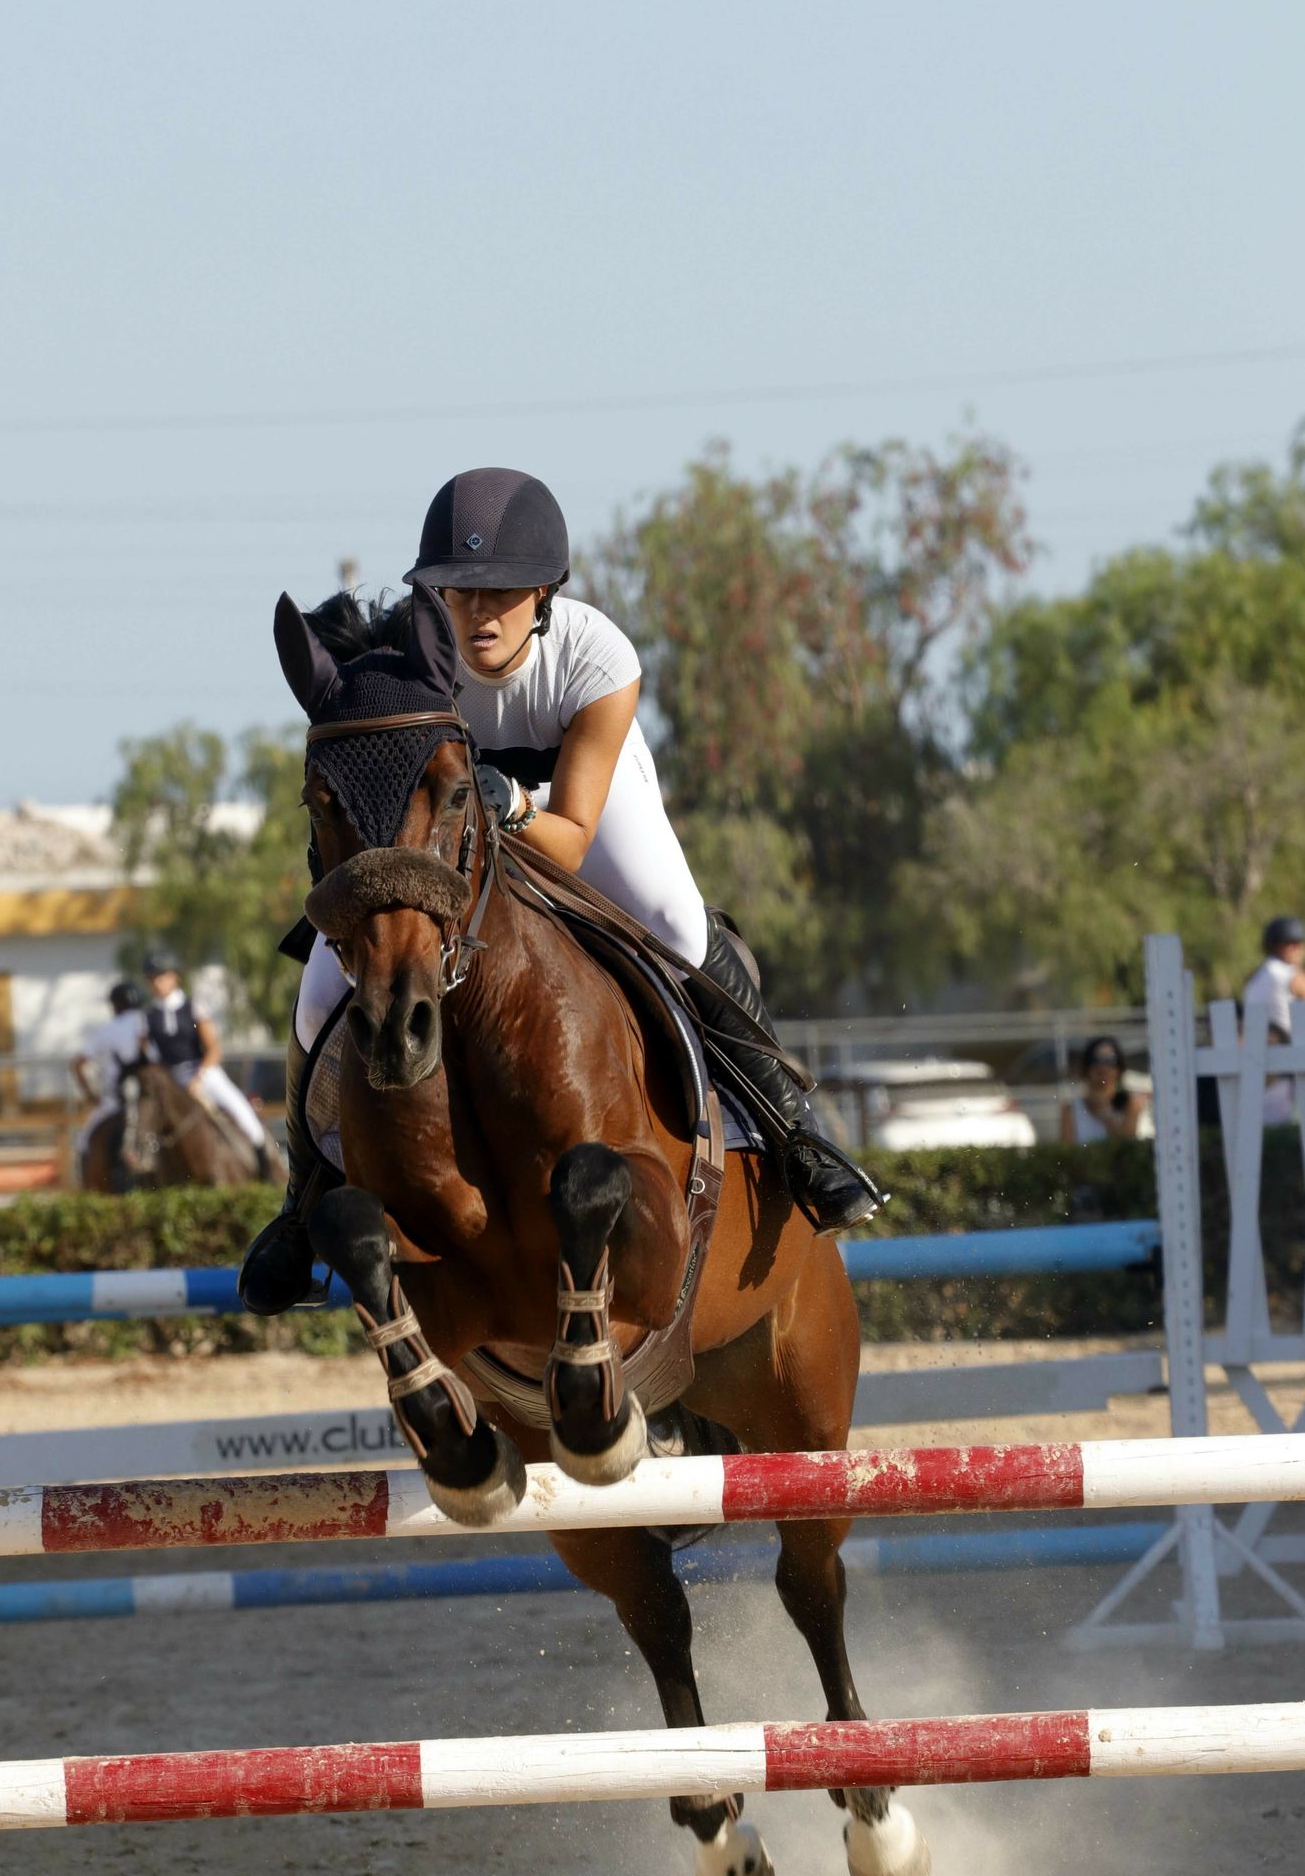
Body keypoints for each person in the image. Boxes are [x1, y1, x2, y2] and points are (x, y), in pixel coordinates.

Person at [239, 468, 882, 1314]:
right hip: (458, 827)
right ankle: (300, 1200)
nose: (478, 614)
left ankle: (795, 1132)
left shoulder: (596, 657)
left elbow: (573, 835)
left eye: (500, 593)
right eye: (458, 593)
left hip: (578, 803)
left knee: (674, 923)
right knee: (321, 991)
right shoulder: (422, 663)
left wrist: (508, 801)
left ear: (542, 593)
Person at [141, 950, 277, 1180]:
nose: (157, 983)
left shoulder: (193, 1007)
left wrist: (199, 1078)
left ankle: (266, 1168)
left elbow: (214, 1049)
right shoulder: (147, 1017)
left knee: (245, 1115)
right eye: (152, 978)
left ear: (174, 977)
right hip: (171, 1081)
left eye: (161, 976)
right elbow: (149, 1057)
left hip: (203, 1073)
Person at [1243, 917, 1305, 1124]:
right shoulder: (1291, 975)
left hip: (1257, 1057)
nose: (1300, 950)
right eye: (1296, 945)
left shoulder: (1255, 978)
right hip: (1287, 1056)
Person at [72, 980, 149, 1165]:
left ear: (116, 1005)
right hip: (150, 1099)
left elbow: (77, 1065)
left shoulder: (105, 1030)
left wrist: (91, 1096)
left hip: (115, 1101)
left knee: (83, 1143)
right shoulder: (151, 1024)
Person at [1059, 1035, 1149, 1144]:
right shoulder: (1071, 1109)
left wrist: (1105, 1113)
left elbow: (1127, 1145)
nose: (1103, 1068)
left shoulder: (1130, 1104)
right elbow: (1067, 1151)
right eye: (1095, 1060)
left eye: (1110, 1061)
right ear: (1086, 1068)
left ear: (1118, 1069)